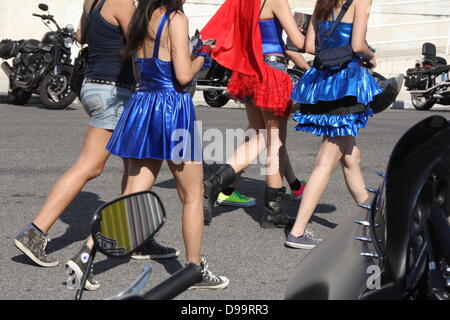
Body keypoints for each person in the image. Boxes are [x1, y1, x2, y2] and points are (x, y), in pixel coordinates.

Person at [14, 0, 177, 292]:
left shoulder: (93, 0)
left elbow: (81, 35)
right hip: (115, 90)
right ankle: (35, 232)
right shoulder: (122, 1)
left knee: (134, 165)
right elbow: (139, 42)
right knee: (91, 165)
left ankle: (135, 234)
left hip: (93, 84)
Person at [105, 0, 229, 290]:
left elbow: (139, 74)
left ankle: (86, 252)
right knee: (193, 194)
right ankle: (194, 268)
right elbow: (184, 76)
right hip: (173, 110)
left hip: (144, 105)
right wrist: (204, 55)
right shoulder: (175, 18)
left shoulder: (140, 17)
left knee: (134, 192)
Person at [285, 0, 382, 249]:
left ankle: (374, 218)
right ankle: (298, 231)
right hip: (346, 83)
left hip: (323, 81)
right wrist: (371, 56)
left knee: (351, 158)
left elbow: (309, 46)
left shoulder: (323, 1)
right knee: (326, 161)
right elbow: (357, 45)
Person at [200, 0, 307, 227]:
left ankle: (219, 184)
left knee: (261, 136)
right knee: (273, 141)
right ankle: (270, 211)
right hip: (271, 69)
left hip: (249, 69)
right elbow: (297, 42)